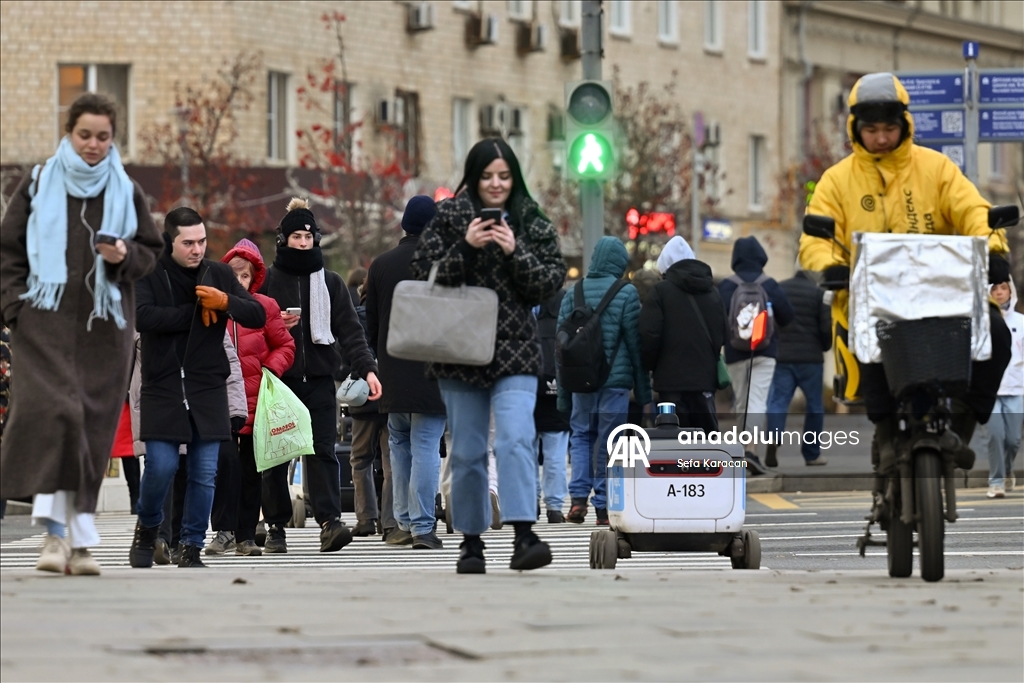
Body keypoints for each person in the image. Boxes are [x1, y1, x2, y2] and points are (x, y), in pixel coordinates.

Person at [799, 71, 1012, 476]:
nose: (881, 137)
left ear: (905, 125)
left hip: (944, 303)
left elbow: (973, 210)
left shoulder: (937, 168)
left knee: (998, 337)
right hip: (872, 310)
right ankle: (886, 434)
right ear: (856, 128)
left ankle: (959, 430)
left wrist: (993, 249)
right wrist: (829, 265)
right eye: (872, 129)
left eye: (890, 128)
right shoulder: (836, 181)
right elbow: (815, 237)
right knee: (876, 377)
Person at [0, 93, 163, 575]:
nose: (93, 145)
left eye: (103, 136)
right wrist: (15, 309)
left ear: (114, 138)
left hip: (104, 329)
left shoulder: (126, 188)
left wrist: (124, 258)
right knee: (55, 418)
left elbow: (150, 251)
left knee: (90, 429)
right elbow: (7, 252)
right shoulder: (37, 184)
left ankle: (81, 540)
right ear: (69, 133)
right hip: (42, 327)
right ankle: (55, 539)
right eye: (84, 134)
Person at [411, 138, 566, 573]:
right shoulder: (450, 216)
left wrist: (515, 250)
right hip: (459, 351)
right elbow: (424, 274)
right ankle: (472, 542)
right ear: (473, 178)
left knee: (517, 438)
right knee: (467, 449)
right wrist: (466, 246)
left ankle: (523, 535)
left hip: (515, 350)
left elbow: (549, 282)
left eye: (504, 176)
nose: (496, 184)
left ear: (513, 177)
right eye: (487, 176)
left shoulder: (531, 219)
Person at [129, 206, 265, 569]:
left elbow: (257, 314)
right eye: (188, 242)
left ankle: (191, 544)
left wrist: (226, 302)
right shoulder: (150, 273)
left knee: (205, 472)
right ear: (169, 241)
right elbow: (143, 316)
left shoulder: (218, 273)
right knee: (161, 466)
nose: (197, 249)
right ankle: (148, 526)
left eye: (202, 241)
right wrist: (193, 311)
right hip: (164, 384)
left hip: (207, 385)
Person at [260, 198, 381, 553]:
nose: (302, 242)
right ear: (283, 239)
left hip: (318, 382)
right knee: (277, 456)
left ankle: (329, 523)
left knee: (323, 452)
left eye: (307, 236)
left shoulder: (330, 282)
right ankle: (276, 527)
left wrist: (368, 370)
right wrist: (274, 323)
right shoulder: (268, 280)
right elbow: (250, 328)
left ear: (316, 240)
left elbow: (351, 332)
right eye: (295, 235)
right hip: (279, 382)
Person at [366, 195, 447, 549]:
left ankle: (400, 522)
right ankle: (423, 526)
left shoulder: (381, 265)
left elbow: (371, 324)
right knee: (427, 445)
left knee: (398, 445)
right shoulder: (444, 264)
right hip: (433, 371)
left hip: (393, 372)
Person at [559, 236, 652, 525]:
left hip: (580, 381)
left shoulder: (573, 293)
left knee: (581, 436)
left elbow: (560, 349)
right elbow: (636, 346)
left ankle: (577, 501)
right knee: (610, 441)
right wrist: (645, 390)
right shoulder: (626, 293)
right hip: (615, 381)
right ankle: (602, 504)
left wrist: (563, 393)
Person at [216, 238, 296, 553]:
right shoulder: (215, 305)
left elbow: (285, 345)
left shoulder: (265, 307)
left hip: (257, 400)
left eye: (245, 275)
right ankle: (222, 530)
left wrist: (270, 371)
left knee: (251, 471)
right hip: (221, 399)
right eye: (234, 273)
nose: (239, 280)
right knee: (222, 467)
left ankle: (246, 535)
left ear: (254, 277)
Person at [719, 236, 794, 474]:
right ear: (762, 256)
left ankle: (743, 451)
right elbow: (788, 316)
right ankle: (751, 451)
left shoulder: (727, 286)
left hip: (735, 352)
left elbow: (719, 320)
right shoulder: (769, 284)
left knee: (742, 401)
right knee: (758, 400)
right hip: (765, 351)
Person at [639, 235, 725, 434]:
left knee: (673, 441)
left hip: (670, 381)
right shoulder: (712, 293)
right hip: (704, 380)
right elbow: (722, 334)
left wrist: (651, 366)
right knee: (706, 441)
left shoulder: (660, 292)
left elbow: (649, 335)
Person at [764, 267, 832, 467]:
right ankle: (812, 455)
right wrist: (824, 346)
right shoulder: (818, 293)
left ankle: (773, 441)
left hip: (782, 356)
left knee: (778, 402)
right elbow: (826, 326)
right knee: (814, 406)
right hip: (811, 359)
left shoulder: (779, 289)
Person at [985, 263, 1023, 499]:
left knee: (1013, 440)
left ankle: (1007, 470)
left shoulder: (1021, 322)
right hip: (990, 389)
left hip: (1017, 387)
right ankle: (996, 481)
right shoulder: (981, 321)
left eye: (1003, 288)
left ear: (1010, 291)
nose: (999, 292)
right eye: (995, 288)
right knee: (995, 435)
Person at [533, 287, 569, 523]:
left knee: (527, 450)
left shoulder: (527, 298)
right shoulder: (568, 301)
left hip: (530, 385)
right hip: (560, 385)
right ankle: (555, 507)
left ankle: (530, 501)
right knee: (556, 451)